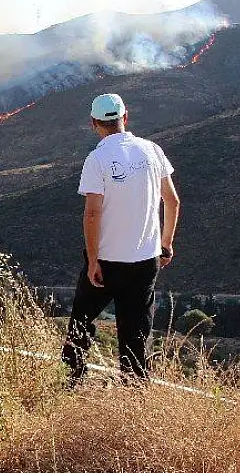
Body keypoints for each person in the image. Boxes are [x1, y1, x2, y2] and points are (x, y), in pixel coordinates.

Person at [61, 93, 181, 386]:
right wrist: (165, 245)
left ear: (94, 124)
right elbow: (173, 201)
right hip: (145, 261)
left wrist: (92, 261)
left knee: (81, 325)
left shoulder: (97, 159)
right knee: (136, 337)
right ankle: (135, 402)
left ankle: (72, 385)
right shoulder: (153, 150)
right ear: (125, 118)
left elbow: (91, 215)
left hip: (106, 262)